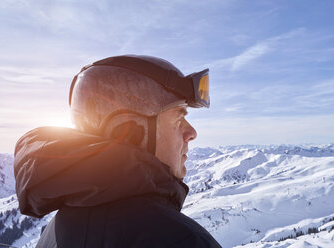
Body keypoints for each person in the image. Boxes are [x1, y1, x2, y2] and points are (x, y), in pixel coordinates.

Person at [13, 55, 222, 247]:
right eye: (178, 119)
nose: (191, 132)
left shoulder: (54, 231)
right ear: (129, 132)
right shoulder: (183, 240)